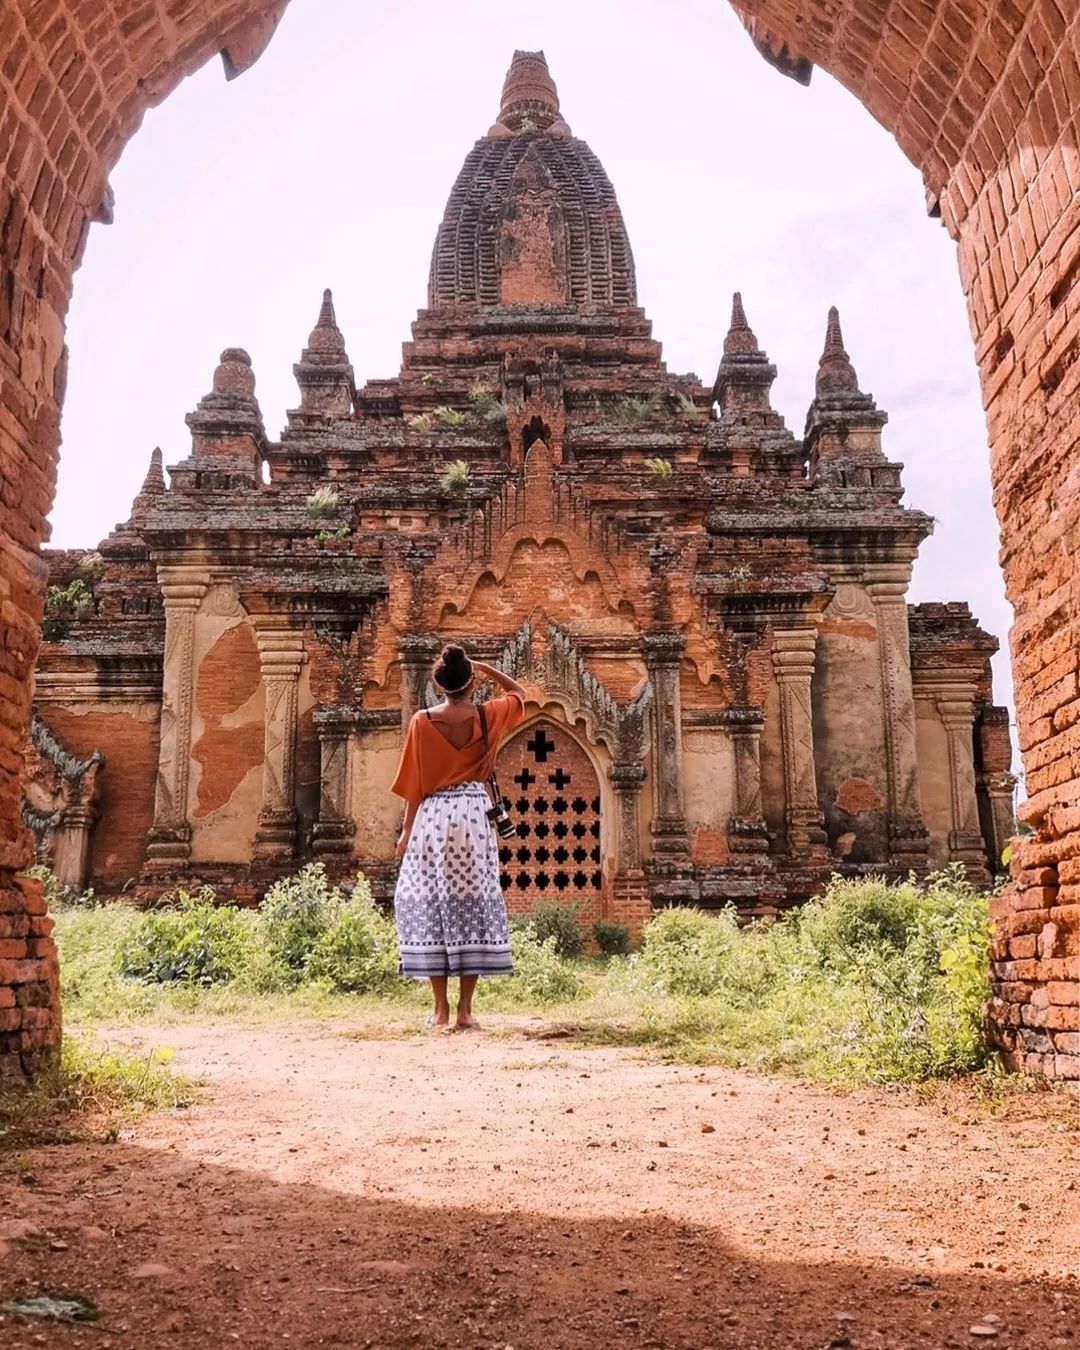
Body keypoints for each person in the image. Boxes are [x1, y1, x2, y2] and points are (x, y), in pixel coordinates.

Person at [390, 643, 526, 1030]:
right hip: (473, 814)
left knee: (430, 902)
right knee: (472, 903)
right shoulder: (488, 716)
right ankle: (466, 1011)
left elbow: (414, 785)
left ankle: (440, 1010)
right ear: (469, 683)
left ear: (439, 684)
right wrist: (487, 668)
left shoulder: (421, 721)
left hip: (433, 816)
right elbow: (520, 694)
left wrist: (405, 832)